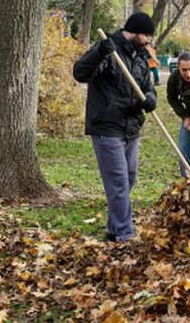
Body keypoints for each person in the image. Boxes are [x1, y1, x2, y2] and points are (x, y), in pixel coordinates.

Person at [72, 12, 157, 242]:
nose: (149, 40)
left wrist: (150, 98)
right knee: (118, 182)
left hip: (131, 126)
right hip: (107, 126)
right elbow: (80, 73)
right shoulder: (107, 50)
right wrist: (99, 53)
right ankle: (124, 234)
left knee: (129, 178)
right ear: (136, 31)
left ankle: (113, 228)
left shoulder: (140, 56)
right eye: (147, 35)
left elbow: (148, 86)